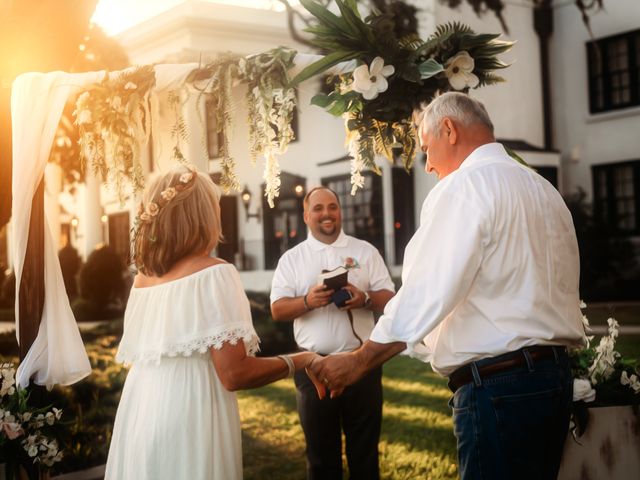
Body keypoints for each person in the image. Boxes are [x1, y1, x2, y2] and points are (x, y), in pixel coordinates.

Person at [310, 92, 586, 480]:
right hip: (554, 381)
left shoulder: (464, 187)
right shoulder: (544, 190)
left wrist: (360, 360)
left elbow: (427, 289)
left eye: (426, 149)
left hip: (498, 388)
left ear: (450, 130)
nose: (428, 165)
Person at [105, 164, 322, 480]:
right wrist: (302, 359)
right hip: (191, 416)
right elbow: (235, 373)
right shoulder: (215, 273)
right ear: (201, 217)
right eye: (214, 209)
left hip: (140, 412)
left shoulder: (142, 281)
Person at [270, 186, 395, 480]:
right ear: (305, 215)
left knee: (364, 455)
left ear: (339, 211)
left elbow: (391, 299)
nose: (326, 214)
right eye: (318, 208)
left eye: (332, 207)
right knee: (321, 457)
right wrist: (306, 302)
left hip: (363, 362)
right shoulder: (292, 258)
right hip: (313, 367)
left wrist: (364, 299)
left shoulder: (364, 251)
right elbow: (277, 309)